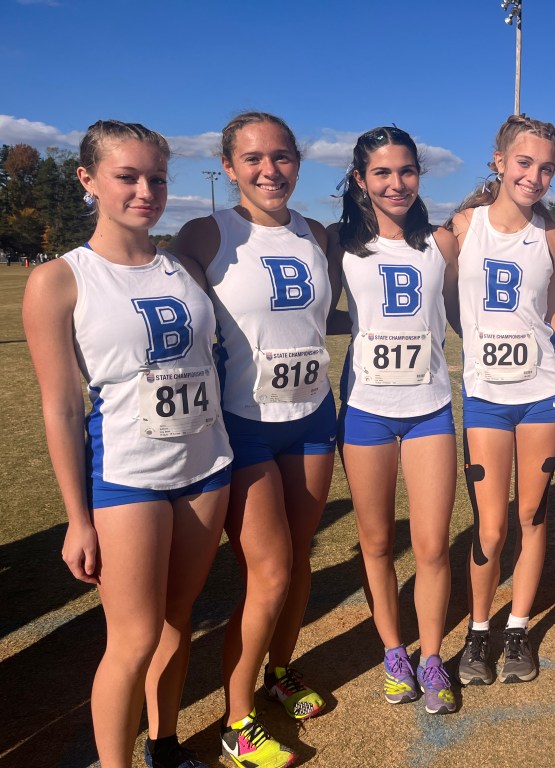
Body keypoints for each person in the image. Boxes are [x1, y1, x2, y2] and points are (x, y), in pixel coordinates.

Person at [23, 120, 233, 768]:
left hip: (206, 467)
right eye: (128, 177)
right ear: (87, 180)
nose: (147, 191)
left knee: (177, 619)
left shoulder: (185, 268)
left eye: (158, 179)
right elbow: (62, 406)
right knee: (134, 638)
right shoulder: (60, 279)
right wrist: (77, 519)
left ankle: (163, 746)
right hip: (128, 477)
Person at [174, 112, 339, 768]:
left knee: (298, 561)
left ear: (298, 161)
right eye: (253, 159)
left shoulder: (317, 234)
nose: (270, 170)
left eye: (282, 156)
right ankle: (236, 722)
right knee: (266, 572)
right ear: (228, 167)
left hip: (313, 416)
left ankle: (280, 671)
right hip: (243, 424)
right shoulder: (205, 232)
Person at [332, 126, 460, 714]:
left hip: (429, 409)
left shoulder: (441, 242)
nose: (396, 183)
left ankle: (431, 657)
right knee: (378, 542)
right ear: (361, 179)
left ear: (418, 175)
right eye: (381, 172)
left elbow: (462, 313)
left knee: (431, 546)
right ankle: (393, 651)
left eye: (406, 171)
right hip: (367, 412)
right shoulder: (339, 244)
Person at [446, 115, 555, 687]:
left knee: (531, 516)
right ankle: (478, 630)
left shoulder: (553, 237)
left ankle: (517, 627)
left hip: (542, 394)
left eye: (546, 168)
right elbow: (448, 303)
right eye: (524, 163)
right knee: (490, 526)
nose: (534, 177)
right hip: (487, 398)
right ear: (499, 162)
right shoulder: (463, 227)